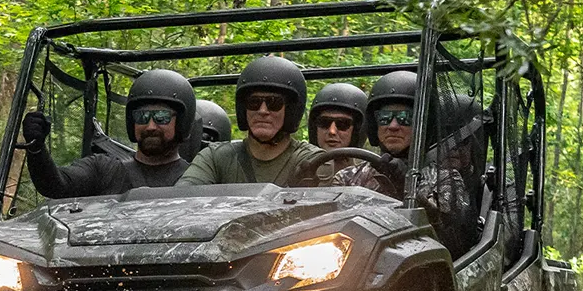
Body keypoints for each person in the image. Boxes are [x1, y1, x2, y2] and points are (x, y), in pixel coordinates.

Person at [334, 70, 474, 256]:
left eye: (405, 118)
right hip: (352, 265)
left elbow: (454, 241)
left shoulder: (444, 179)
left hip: (418, 269)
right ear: (375, 125)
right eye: (384, 118)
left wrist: (407, 189)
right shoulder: (348, 179)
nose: (393, 126)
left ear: (422, 125)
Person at [21, 68, 194, 197]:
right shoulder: (104, 169)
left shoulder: (197, 179)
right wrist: (37, 148)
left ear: (181, 123)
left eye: (161, 117)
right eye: (141, 117)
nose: (150, 126)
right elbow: (56, 185)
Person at [179, 56, 324, 186]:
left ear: (291, 111)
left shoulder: (311, 161)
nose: (262, 111)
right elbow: (184, 197)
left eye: (274, 103)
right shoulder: (216, 158)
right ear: (243, 109)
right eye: (253, 102)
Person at [307, 82, 368, 174]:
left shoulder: (369, 173)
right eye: (324, 122)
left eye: (342, 124)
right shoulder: (298, 165)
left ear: (357, 130)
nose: (332, 131)